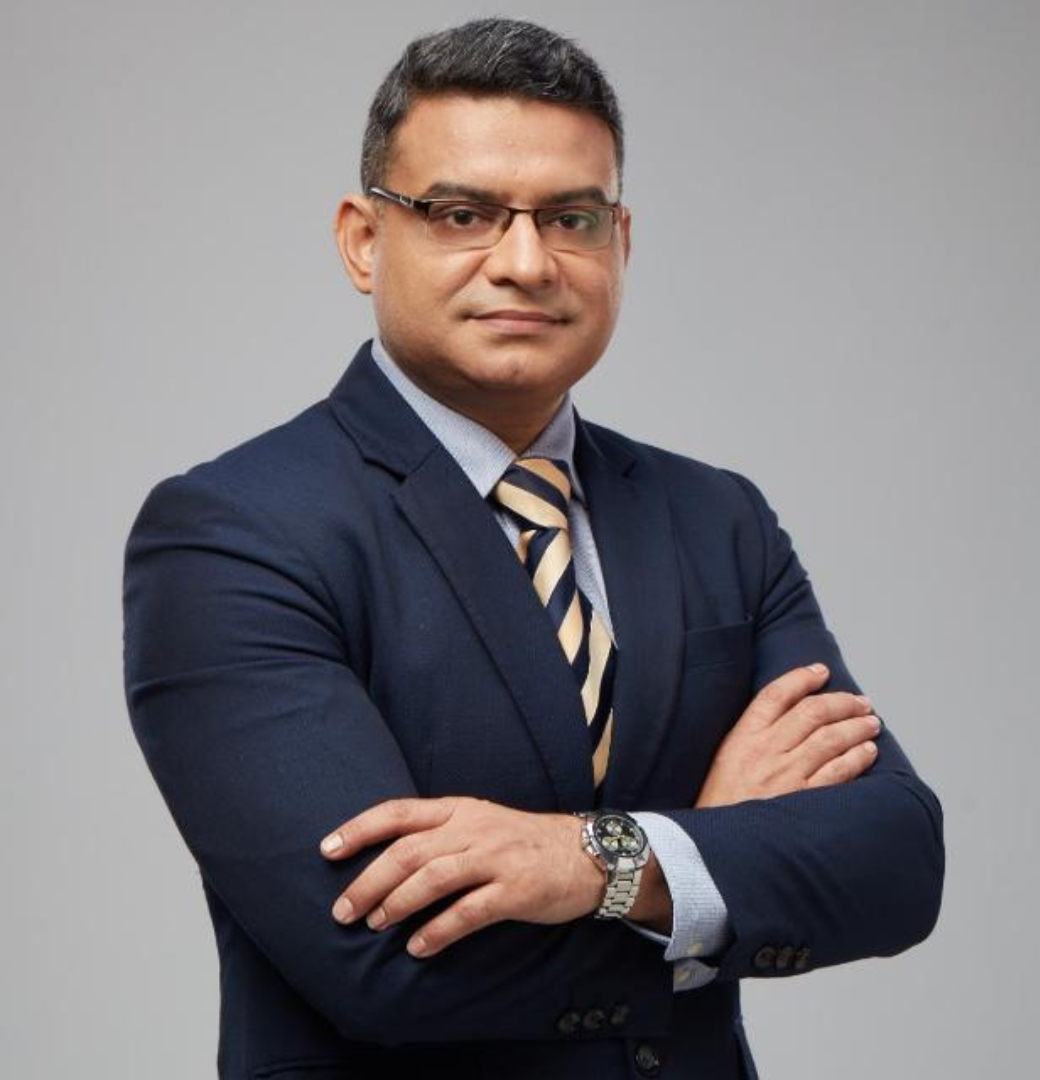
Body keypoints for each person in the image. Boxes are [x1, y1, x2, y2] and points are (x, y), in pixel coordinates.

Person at [122, 17, 944, 1080]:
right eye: (462, 214)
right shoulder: (236, 532)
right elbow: (384, 964)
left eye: (571, 218)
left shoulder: (717, 519)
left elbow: (897, 865)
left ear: (621, 243)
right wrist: (705, 858)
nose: (525, 263)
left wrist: (592, 859)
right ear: (363, 240)